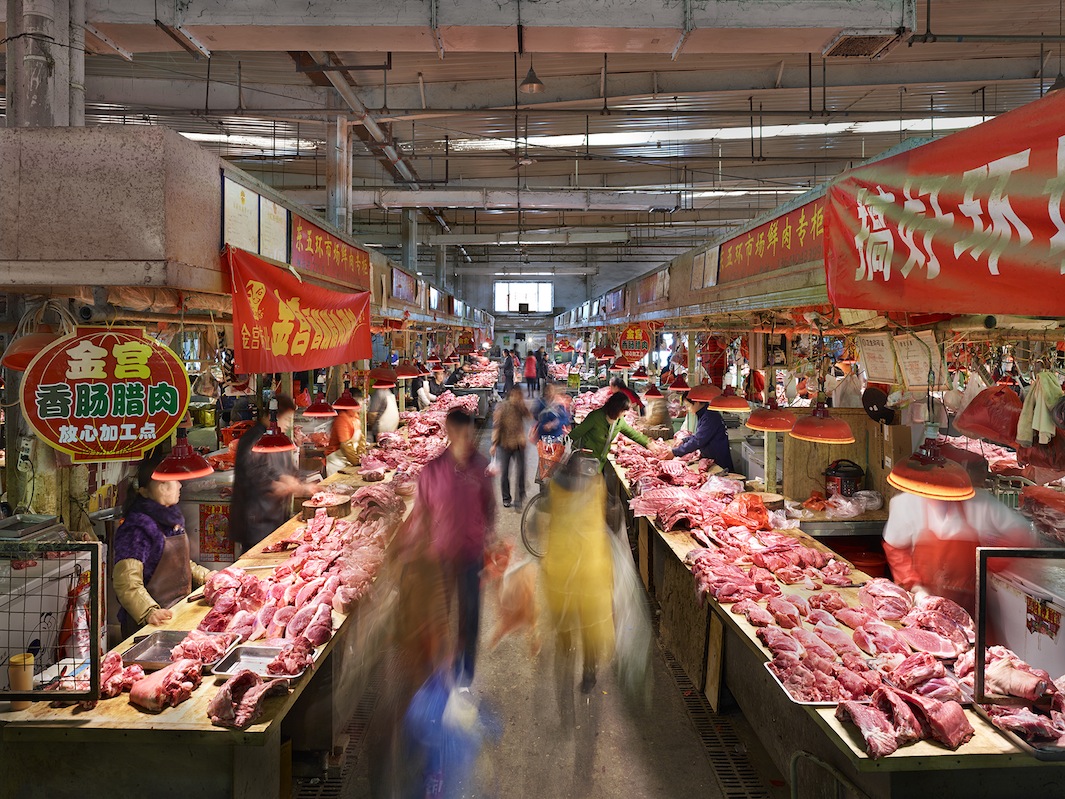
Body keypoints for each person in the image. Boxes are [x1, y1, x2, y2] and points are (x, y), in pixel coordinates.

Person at [410, 409, 496, 684]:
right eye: (459, 434)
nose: (465, 439)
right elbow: (420, 515)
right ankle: (437, 677)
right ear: (449, 433)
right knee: (438, 618)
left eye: (469, 434)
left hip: (472, 555)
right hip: (440, 556)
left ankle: (465, 675)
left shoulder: (481, 467)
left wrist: (488, 536)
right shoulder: (432, 471)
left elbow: (489, 506)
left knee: (469, 617)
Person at [882, 489, 1038, 614]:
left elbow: (1022, 535)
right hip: (923, 608)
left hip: (971, 608)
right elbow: (895, 548)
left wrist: (991, 563)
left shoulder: (981, 502)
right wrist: (915, 586)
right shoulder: (907, 503)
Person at [542, 452, 615, 710]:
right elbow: (608, 516)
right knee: (590, 624)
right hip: (590, 568)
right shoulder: (597, 487)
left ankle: (565, 644)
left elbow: (544, 514)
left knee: (564, 613)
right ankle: (589, 669)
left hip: (563, 565)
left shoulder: (556, 488)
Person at [113, 449, 213, 639]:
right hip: (149, 626)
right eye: (168, 483)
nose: (179, 485)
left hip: (177, 612)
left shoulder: (169, 519)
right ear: (148, 490)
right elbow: (126, 580)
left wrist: (208, 576)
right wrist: (149, 611)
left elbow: (180, 563)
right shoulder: (137, 527)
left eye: (176, 480)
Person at [230, 395, 313, 552]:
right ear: (271, 416)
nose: (289, 425)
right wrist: (279, 486)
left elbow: (286, 469)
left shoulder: (279, 439)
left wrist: (302, 482)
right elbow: (254, 475)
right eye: (287, 419)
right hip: (256, 521)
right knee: (255, 564)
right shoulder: (252, 439)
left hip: (275, 517)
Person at [569, 391, 653, 471]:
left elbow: (632, 434)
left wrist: (648, 444)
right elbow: (575, 434)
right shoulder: (595, 417)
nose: (625, 414)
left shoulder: (619, 421)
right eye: (623, 410)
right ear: (616, 408)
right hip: (586, 459)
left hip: (600, 461)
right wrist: (561, 448)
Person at [491, 387, 533, 509]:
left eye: (519, 395)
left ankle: (520, 496)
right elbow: (497, 426)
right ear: (511, 395)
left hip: (519, 443)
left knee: (521, 471)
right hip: (505, 444)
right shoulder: (502, 407)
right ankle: (506, 498)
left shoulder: (520, 406)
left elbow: (529, 417)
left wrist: (522, 405)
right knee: (505, 473)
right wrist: (494, 444)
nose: (517, 398)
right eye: (515, 395)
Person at [669, 394, 734, 471]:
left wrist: (675, 452)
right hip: (711, 461)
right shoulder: (705, 414)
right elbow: (700, 435)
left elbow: (698, 441)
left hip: (719, 463)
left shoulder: (710, 416)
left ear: (696, 402)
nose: (687, 409)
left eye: (688, 406)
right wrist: (683, 440)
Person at [532, 382, 573, 482]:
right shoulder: (541, 403)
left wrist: (555, 423)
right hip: (543, 439)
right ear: (545, 392)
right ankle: (543, 486)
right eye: (548, 391)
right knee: (544, 461)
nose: (550, 393)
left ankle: (554, 484)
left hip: (557, 438)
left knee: (556, 462)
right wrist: (543, 424)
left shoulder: (559, 405)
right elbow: (534, 415)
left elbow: (565, 419)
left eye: (552, 391)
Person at [324, 391, 364, 476]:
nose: (361, 404)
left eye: (361, 400)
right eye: (358, 401)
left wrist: (362, 457)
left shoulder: (355, 416)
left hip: (348, 459)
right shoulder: (342, 418)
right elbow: (345, 445)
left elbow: (361, 439)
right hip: (337, 461)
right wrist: (357, 462)